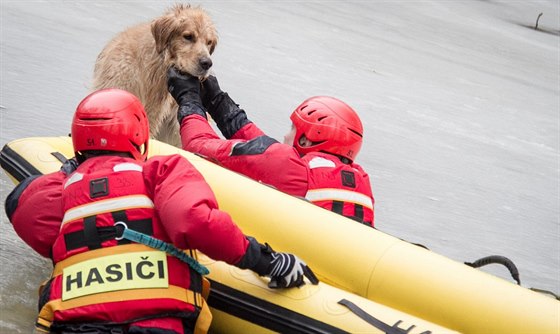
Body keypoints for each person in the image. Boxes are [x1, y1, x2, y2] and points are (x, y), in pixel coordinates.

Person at [4, 88, 318, 334]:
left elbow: (22, 206)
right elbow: (196, 222)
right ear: (140, 135)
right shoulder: (162, 170)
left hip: (74, 326)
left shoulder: (62, 190)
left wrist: (74, 170)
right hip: (155, 323)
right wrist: (268, 261)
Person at [167, 68, 375, 227]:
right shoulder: (360, 180)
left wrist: (189, 100)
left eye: (293, 128)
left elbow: (198, 146)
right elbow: (265, 149)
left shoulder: (290, 167)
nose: (285, 135)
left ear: (307, 140)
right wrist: (218, 101)